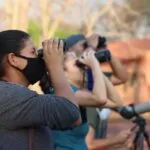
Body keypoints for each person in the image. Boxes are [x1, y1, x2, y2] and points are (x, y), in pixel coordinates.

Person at [0, 30, 81, 150]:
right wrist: (55, 67)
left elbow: (75, 119)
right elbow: (70, 113)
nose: (39, 58)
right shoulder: (9, 96)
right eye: (33, 52)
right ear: (13, 59)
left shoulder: (17, 96)